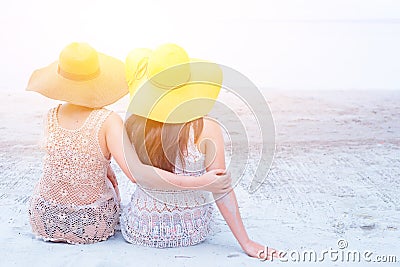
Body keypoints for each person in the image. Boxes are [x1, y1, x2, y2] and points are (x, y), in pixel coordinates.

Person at [26, 42, 231, 244]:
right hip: (92, 223)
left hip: (43, 217)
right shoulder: (108, 120)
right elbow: (135, 175)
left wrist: (102, 164)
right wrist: (202, 181)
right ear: (98, 78)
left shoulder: (50, 116)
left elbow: (70, 154)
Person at [121, 44, 278, 258]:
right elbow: (220, 187)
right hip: (192, 229)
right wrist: (246, 242)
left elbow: (139, 175)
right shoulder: (206, 127)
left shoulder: (133, 123)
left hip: (142, 228)